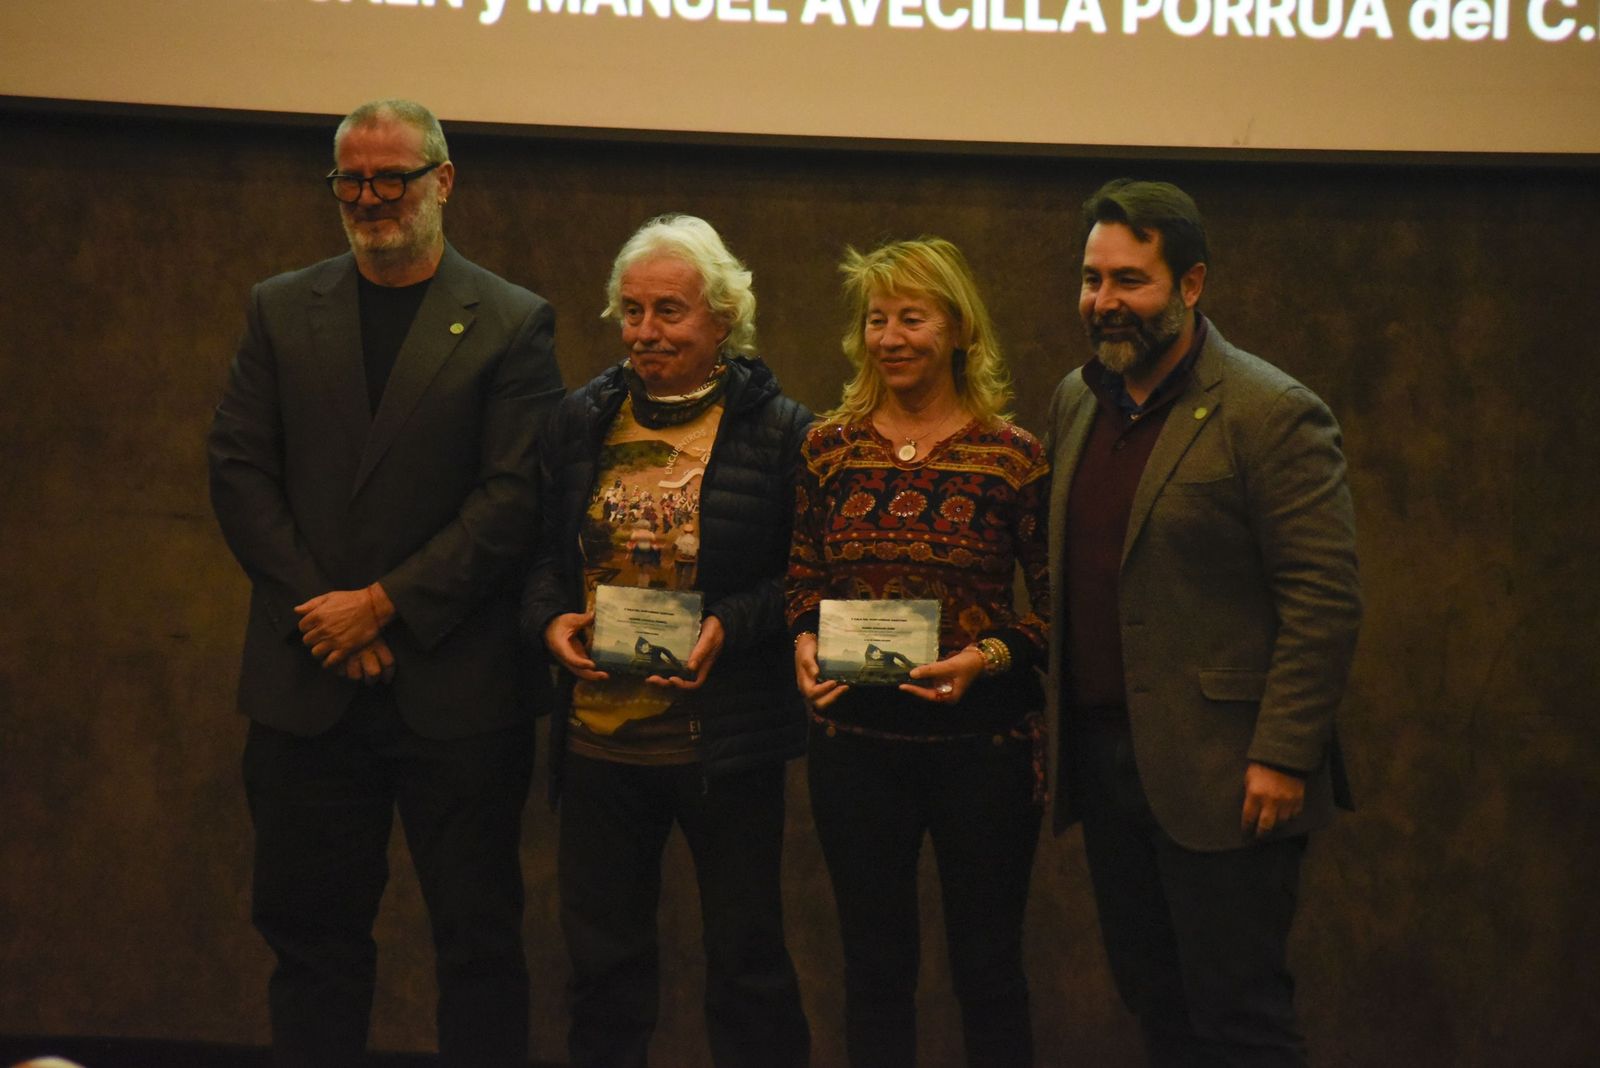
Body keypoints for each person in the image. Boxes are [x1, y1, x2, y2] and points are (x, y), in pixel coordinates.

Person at [206, 99, 563, 1068]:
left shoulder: (512, 321)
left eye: (390, 178)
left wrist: (382, 605)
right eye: (350, 181)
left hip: (458, 693)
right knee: (310, 948)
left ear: (442, 180)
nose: (369, 199)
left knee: (478, 949)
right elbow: (238, 471)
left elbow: (513, 499)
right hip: (306, 684)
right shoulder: (281, 308)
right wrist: (322, 616)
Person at [1044, 179, 1361, 1066]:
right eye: (1092, 279)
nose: (1105, 302)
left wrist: (1284, 753)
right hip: (1107, 764)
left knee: (1239, 1021)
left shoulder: (1272, 412)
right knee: (1156, 1006)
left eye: (1130, 280)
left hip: (1229, 774)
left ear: (1191, 284)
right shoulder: (1076, 400)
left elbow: (1323, 598)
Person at [521, 214, 811, 1068]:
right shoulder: (581, 419)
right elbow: (541, 558)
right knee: (603, 975)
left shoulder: (782, 430)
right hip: (599, 743)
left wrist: (730, 625)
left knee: (748, 969)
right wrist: (549, 620)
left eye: (669, 312)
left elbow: (807, 579)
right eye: (632, 310)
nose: (645, 331)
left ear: (723, 319)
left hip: (724, 743)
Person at [788, 238, 1050, 1067]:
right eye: (877, 320)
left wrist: (985, 661)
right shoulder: (827, 448)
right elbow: (801, 581)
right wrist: (803, 642)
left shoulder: (1014, 455)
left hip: (984, 751)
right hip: (855, 750)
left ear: (959, 329)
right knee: (874, 972)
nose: (890, 338)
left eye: (912, 318)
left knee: (989, 970)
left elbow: (1053, 615)